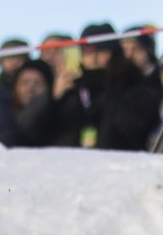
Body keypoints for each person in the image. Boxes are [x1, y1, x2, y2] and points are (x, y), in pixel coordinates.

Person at [58, 21, 162, 150]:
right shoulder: (76, 87)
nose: (93, 58)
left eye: (100, 50)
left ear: (113, 52)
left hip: (121, 158)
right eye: (87, 51)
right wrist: (54, 98)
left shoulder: (130, 81)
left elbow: (134, 127)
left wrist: (109, 94)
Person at [9, 57, 60, 147]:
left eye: (37, 83)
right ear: (15, 87)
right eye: (25, 82)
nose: (30, 89)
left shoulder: (57, 116)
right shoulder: (4, 113)